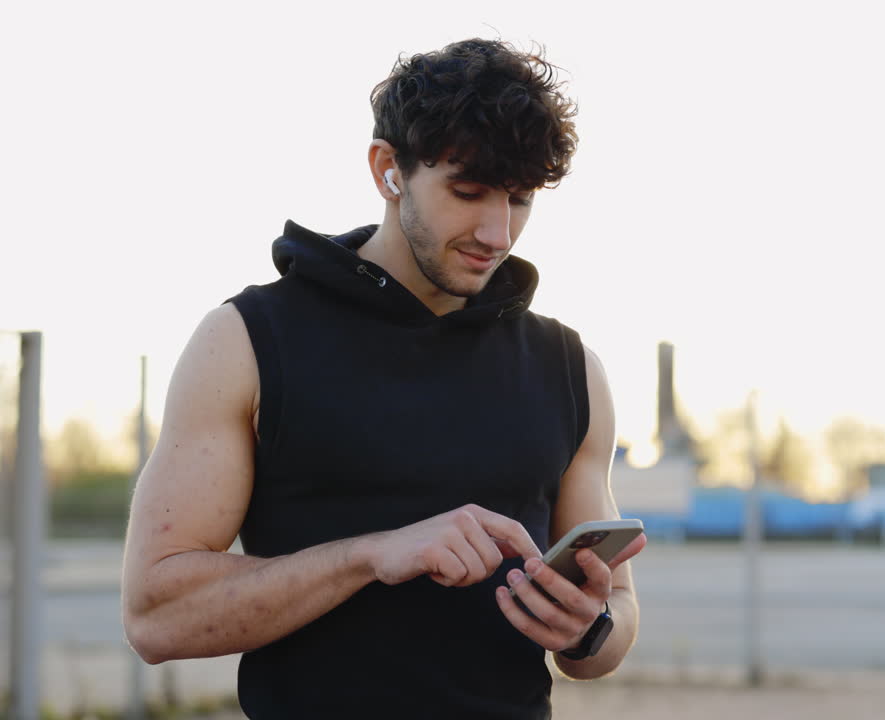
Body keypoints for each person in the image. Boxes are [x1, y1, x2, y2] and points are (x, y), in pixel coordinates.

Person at [121, 38, 646, 719]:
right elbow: (156, 616)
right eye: (468, 191)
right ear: (387, 169)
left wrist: (589, 629)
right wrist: (371, 556)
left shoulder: (571, 368)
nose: (498, 231)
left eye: (520, 199)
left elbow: (619, 614)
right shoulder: (247, 340)